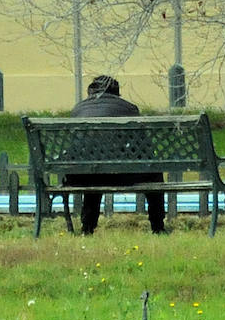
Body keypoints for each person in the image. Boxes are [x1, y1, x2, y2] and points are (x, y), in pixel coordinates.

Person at [66, 75, 167, 235]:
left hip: (83, 176)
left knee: (94, 172)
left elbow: (73, 147)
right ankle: (158, 226)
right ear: (116, 92)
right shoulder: (128, 109)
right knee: (154, 174)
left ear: (91, 91)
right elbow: (144, 148)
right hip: (121, 175)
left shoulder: (78, 110)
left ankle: (88, 227)